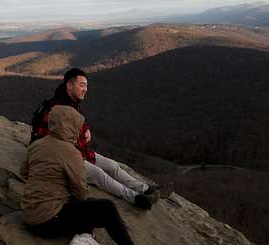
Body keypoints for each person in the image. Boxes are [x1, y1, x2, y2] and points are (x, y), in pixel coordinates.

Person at [22, 105, 155, 245]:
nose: (79, 130)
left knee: (81, 203)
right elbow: (80, 190)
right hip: (47, 222)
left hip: (29, 215)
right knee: (106, 208)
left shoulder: (37, 144)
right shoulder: (70, 152)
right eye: (76, 126)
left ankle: (84, 235)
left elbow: (24, 171)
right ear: (69, 127)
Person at [30, 68, 173, 210]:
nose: (85, 89)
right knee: (98, 174)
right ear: (69, 85)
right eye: (82, 85)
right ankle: (137, 198)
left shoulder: (70, 103)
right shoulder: (57, 108)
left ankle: (145, 189)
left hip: (77, 151)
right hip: (59, 158)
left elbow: (77, 127)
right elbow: (56, 141)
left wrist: (85, 130)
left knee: (112, 165)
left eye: (86, 85)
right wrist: (82, 139)